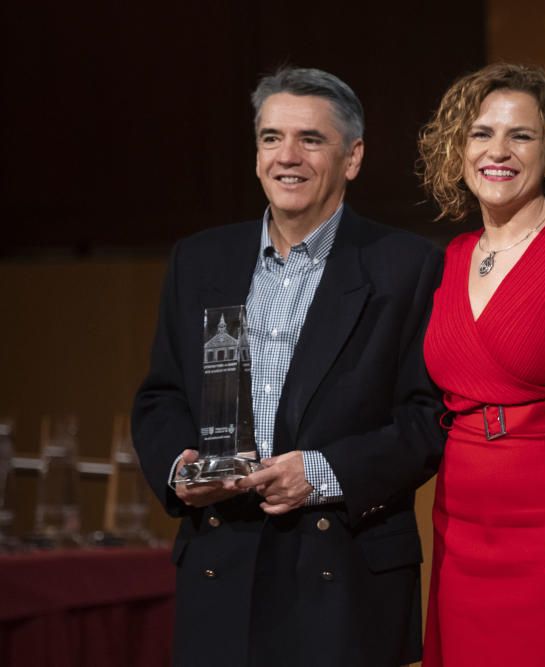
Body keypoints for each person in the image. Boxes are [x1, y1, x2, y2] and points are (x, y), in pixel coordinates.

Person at [132, 67, 444, 667]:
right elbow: (161, 398)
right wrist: (180, 468)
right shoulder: (199, 260)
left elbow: (427, 420)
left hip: (341, 576)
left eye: (311, 139)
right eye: (272, 138)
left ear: (352, 157)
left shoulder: (406, 267)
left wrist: (322, 473)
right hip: (221, 564)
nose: (287, 157)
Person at [416, 63, 545, 666]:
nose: (498, 151)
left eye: (521, 135)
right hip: (459, 521)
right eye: (481, 134)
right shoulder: (451, 258)